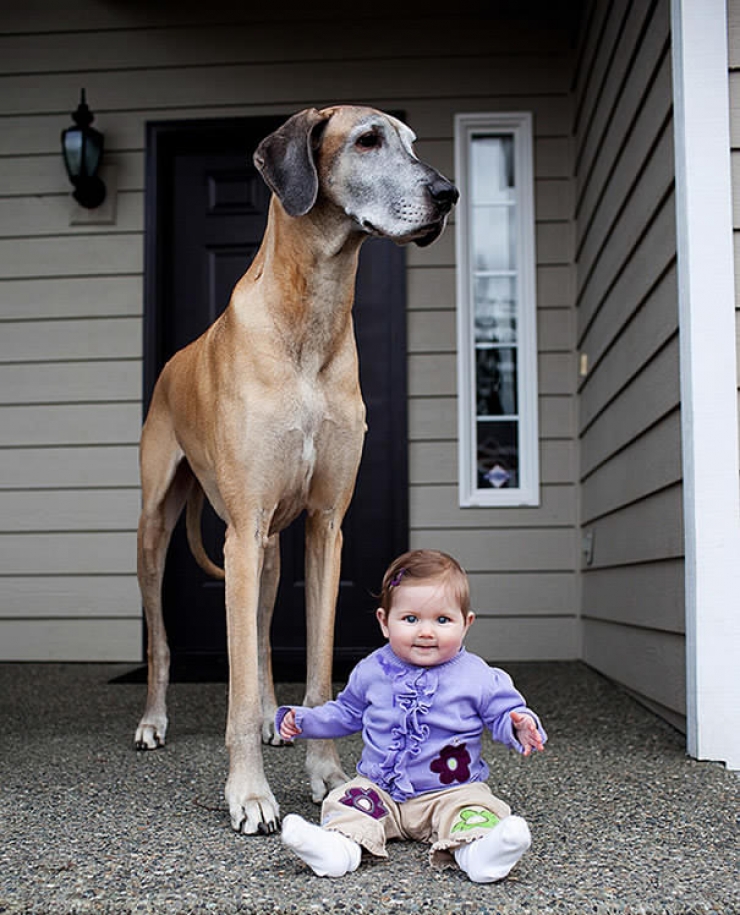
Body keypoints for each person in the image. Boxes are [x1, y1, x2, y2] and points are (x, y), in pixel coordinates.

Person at [275, 549, 546, 883]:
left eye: (442, 620)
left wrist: (519, 726)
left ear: (466, 623)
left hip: (451, 791)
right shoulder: (372, 671)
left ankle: (483, 855)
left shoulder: (478, 676)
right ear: (384, 622)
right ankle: (336, 850)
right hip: (381, 790)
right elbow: (345, 713)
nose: (426, 631)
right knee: (348, 802)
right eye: (411, 619)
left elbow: (503, 712)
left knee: (474, 812)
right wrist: (303, 721)